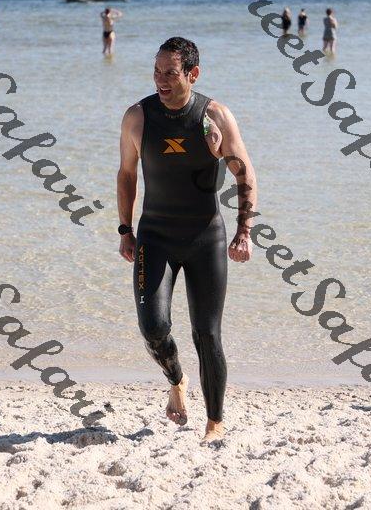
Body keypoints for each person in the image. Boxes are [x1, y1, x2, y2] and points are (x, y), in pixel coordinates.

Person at [117, 37, 257, 444]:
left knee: (207, 334)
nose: (160, 80)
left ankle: (215, 423)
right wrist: (125, 229)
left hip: (205, 237)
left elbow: (245, 174)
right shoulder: (137, 117)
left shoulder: (214, 117)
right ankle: (176, 380)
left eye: (170, 73)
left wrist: (244, 231)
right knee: (153, 327)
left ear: (193, 74)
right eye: (156, 71)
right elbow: (127, 174)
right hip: (155, 235)